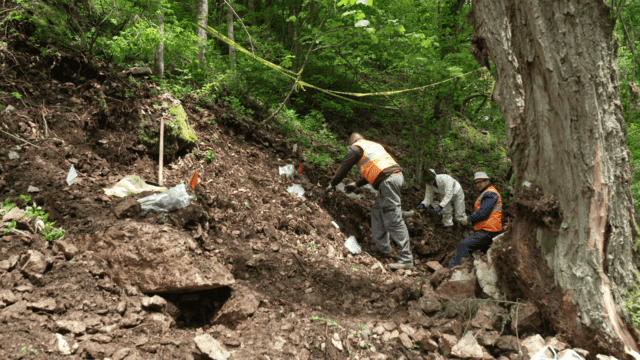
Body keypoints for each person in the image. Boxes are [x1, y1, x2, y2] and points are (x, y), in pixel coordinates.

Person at [326, 132, 414, 270]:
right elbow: (377, 170)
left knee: (393, 218)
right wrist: (356, 184)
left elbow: (344, 168)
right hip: (392, 178)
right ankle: (383, 249)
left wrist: (333, 183)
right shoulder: (373, 145)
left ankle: (406, 259)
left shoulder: (355, 147)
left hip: (388, 181)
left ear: (352, 141)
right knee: (377, 212)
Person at [448, 172, 503, 268]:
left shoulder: (490, 193)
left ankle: (454, 271)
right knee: (485, 256)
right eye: (476, 183)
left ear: (488, 181)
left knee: (464, 246)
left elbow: (483, 213)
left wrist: (468, 219)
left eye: (480, 182)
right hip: (489, 229)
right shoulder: (486, 193)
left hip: (488, 230)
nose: (478, 185)